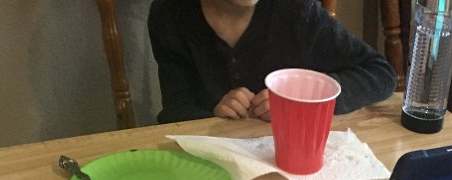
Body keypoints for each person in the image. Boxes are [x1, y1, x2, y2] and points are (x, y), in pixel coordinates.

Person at [148, 0, 397, 123]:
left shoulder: (297, 10)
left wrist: (305, 99)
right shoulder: (170, 13)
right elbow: (175, 111)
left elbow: (380, 73)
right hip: (211, 167)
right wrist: (214, 113)